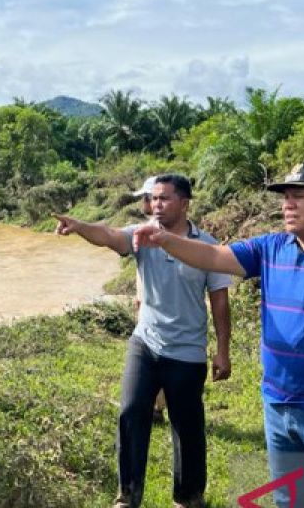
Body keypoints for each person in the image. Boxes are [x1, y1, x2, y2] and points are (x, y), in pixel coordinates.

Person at [135, 163, 304, 508]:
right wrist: (166, 240)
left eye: (298, 196)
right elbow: (214, 255)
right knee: (290, 499)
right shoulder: (271, 248)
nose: (287, 204)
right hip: (277, 406)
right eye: (285, 197)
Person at [55, 173, 232, 508]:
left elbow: (220, 302)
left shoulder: (208, 246)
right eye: (153, 199)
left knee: (187, 425)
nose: (156, 205)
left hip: (188, 351)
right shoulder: (141, 236)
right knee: (132, 413)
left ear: (184, 202)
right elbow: (108, 235)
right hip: (146, 343)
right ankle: (127, 495)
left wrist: (222, 351)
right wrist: (79, 226)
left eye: (164, 198)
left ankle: (189, 496)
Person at [130, 176, 169, 425]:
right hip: (145, 304)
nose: (146, 203)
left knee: (159, 357)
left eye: (150, 197)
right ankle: (155, 405)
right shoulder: (144, 230)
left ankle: (158, 408)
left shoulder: (160, 234)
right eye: (148, 198)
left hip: (156, 308)